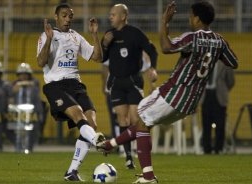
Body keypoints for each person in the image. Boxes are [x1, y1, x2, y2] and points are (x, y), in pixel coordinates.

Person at [97, 1, 238, 183]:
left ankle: (148, 177)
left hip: (173, 93)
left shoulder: (192, 38)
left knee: (140, 117)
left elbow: (166, 47)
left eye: (190, 16)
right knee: (144, 124)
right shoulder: (220, 41)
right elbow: (233, 62)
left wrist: (165, 21)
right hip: (190, 103)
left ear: (196, 18)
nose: (189, 19)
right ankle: (111, 144)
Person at [36, 3, 105, 181]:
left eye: (70, 16)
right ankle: (98, 141)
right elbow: (40, 62)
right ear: (56, 17)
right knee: (78, 114)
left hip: (76, 84)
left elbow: (97, 57)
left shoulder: (76, 37)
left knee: (92, 122)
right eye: (64, 15)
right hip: (56, 85)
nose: (68, 19)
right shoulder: (46, 36)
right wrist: (50, 39)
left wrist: (95, 35)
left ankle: (72, 171)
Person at [101, 4, 158, 169]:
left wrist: (153, 67)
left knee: (135, 120)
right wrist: (104, 44)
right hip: (116, 83)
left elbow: (152, 50)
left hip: (133, 81)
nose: (110, 17)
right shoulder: (109, 35)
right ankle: (128, 156)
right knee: (121, 119)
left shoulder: (135, 33)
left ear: (123, 16)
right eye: (110, 14)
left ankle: (140, 152)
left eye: (113, 14)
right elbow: (102, 58)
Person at [201, 61, 235, 154]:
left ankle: (218, 148)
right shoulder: (203, 60)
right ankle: (206, 148)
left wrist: (223, 90)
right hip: (205, 95)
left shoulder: (226, 62)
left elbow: (231, 81)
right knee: (206, 123)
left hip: (219, 95)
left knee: (220, 123)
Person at [11, 62, 43, 152]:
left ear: (29, 75)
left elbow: (33, 85)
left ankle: (29, 149)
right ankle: (18, 148)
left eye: (26, 74)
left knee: (32, 131)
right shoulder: (14, 85)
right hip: (19, 113)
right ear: (18, 75)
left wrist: (19, 85)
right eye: (21, 74)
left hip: (32, 113)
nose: (24, 76)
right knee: (17, 131)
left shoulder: (35, 83)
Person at [0, 60, 15, 152]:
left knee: (9, 132)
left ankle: (21, 149)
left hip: (4, 114)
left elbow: (11, 100)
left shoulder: (6, 85)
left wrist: (9, 112)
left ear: (0, 74)